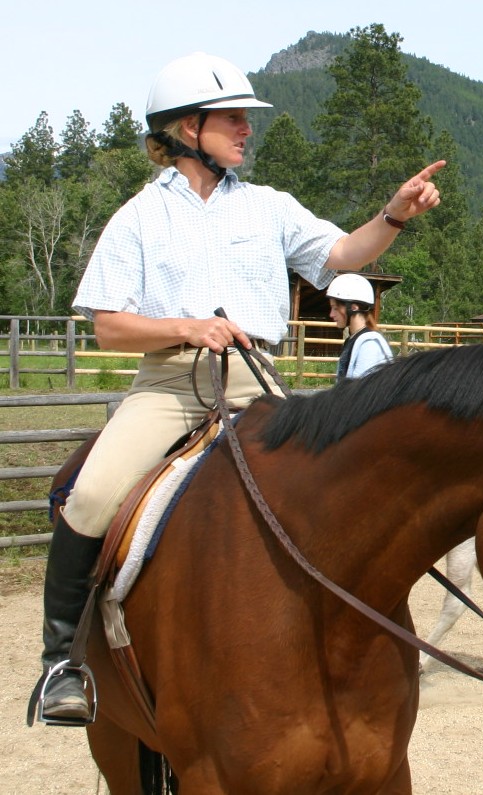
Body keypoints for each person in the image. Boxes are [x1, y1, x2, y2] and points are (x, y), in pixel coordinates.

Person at [33, 51, 445, 725]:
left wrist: (394, 214)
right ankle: (61, 665)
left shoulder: (267, 207)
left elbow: (342, 255)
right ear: (185, 129)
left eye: (245, 119)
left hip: (258, 385)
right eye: (232, 118)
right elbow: (108, 328)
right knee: (91, 496)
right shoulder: (138, 218)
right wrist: (185, 326)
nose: (246, 129)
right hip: (169, 385)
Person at [327, 273, 394, 381]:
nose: (331, 314)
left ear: (353, 307)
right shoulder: (353, 339)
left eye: (335, 308)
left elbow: (359, 392)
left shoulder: (369, 345)